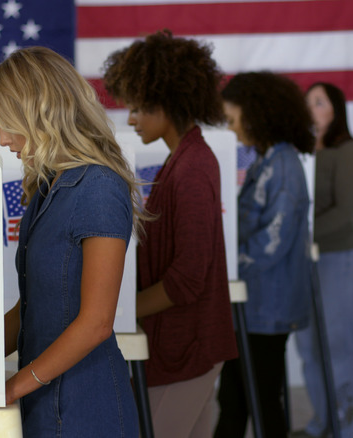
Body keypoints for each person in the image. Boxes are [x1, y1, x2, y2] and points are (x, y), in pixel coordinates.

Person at [0, 46, 144, 437]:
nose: (2, 140)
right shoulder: (49, 187)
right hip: (44, 399)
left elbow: (96, 324)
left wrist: (12, 388)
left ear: (40, 114)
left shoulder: (99, 186)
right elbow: (29, 309)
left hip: (86, 407)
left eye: (7, 124)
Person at [102, 30, 238, 437]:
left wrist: (115, 314)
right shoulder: (183, 161)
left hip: (188, 346)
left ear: (167, 100)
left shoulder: (193, 167)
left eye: (139, 107)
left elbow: (188, 277)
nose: (129, 118)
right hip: (186, 344)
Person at [214, 72, 315, 438]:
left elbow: (272, 242)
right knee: (237, 398)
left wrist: (222, 266)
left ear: (257, 115)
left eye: (233, 120)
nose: (232, 130)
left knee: (259, 400)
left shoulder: (283, 166)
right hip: (254, 305)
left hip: (267, 307)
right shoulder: (267, 160)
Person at [291, 82, 353, 438]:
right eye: (307, 102)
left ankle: (351, 430)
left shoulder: (347, 151)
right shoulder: (299, 152)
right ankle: (324, 422)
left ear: (335, 110)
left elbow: (344, 212)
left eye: (319, 102)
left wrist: (301, 235)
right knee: (308, 346)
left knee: (338, 344)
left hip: (339, 258)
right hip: (303, 260)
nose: (311, 108)